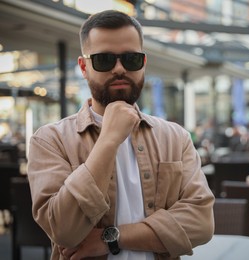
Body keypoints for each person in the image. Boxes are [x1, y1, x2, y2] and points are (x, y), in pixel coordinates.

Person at [27, 10, 214, 260]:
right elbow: (64, 231)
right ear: (84, 67)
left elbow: (201, 223)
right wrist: (109, 139)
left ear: (143, 63)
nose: (119, 69)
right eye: (104, 60)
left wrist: (112, 238)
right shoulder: (50, 140)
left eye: (131, 59)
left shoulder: (175, 137)